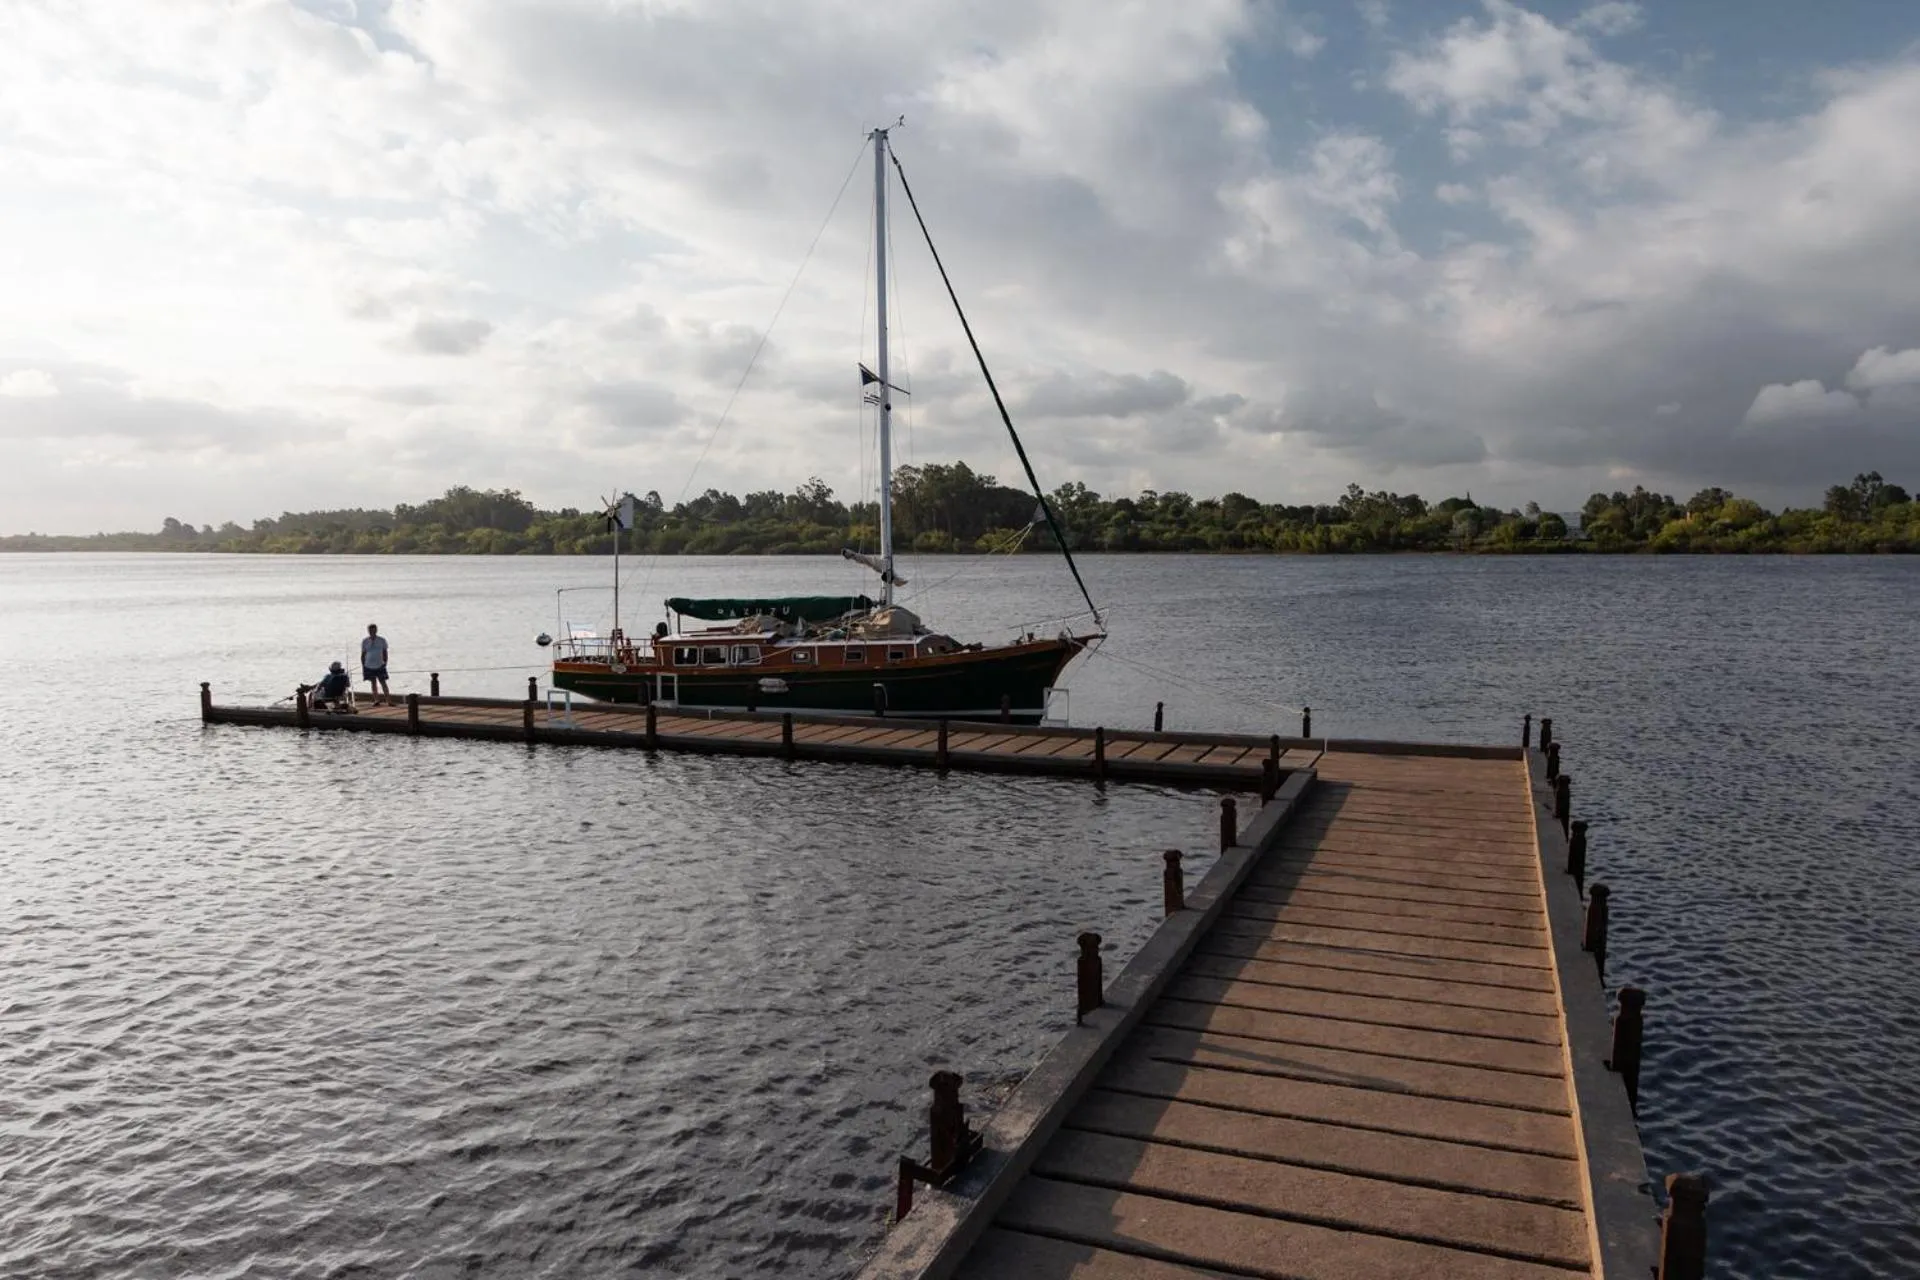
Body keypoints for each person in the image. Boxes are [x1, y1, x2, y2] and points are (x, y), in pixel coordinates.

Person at [360, 623, 390, 706]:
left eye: (373, 630)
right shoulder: (365, 641)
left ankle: (388, 701)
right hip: (368, 665)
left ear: (376, 630)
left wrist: (385, 662)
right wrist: (363, 664)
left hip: (380, 664)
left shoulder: (382, 640)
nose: (371, 631)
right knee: (373, 683)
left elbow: (385, 652)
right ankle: (376, 700)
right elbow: (363, 654)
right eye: (370, 630)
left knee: (383, 682)